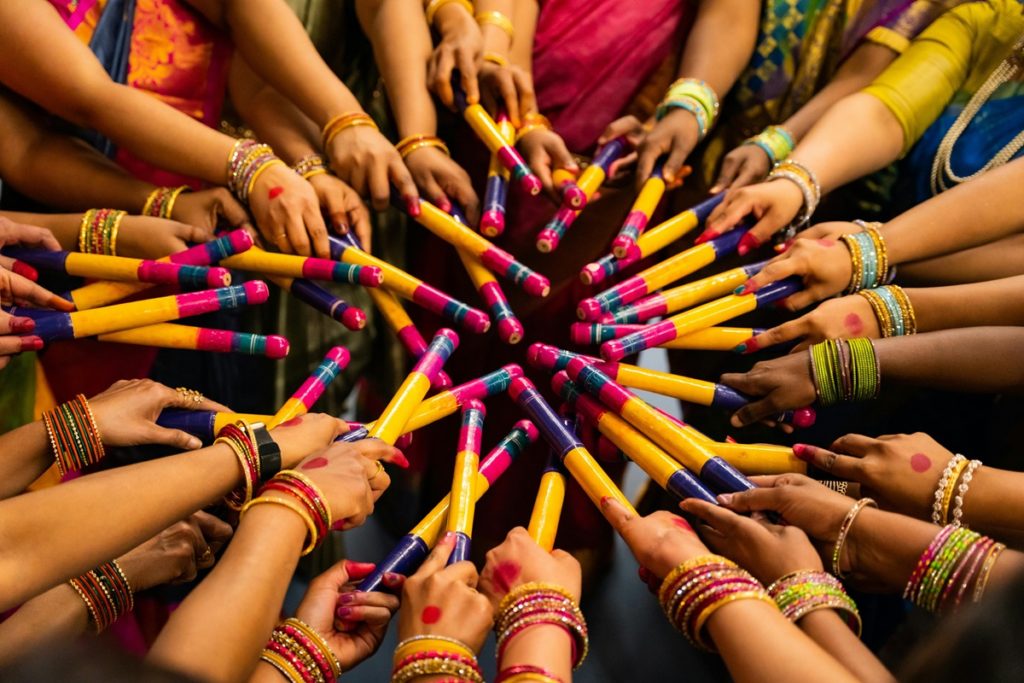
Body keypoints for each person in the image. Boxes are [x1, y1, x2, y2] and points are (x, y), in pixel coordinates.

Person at [705, 0, 1024, 251]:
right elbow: (884, 112)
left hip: (947, 307)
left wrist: (876, 250)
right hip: (852, 261)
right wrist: (794, 182)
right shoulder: (991, 25)